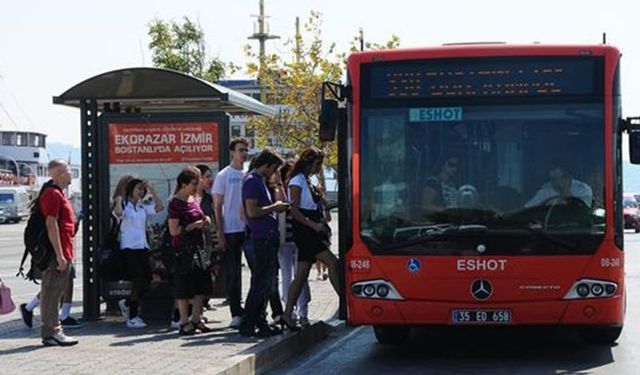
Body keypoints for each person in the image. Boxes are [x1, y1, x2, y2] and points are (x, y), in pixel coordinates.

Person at [282, 147, 339, 330]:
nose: (319, 167)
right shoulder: (297, 181)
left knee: (301, 275)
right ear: (308, 162)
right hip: (306, 231)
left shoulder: (307, 181)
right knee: (333, 263)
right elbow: (295, 210)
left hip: (312, 228)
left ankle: (287, 313)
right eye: (317, 163)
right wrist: (313, 225)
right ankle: (345, 302)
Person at [239, 148, 289, 337]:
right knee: (261, 282)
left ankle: (259, 321)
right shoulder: (252, 181)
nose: (274, 173)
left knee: (266, 282)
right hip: (262, 237)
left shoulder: (261, 181)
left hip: (268, 235)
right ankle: (249, 323)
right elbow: (252, 211)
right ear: (266, 165)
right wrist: (274, 208)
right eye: (274, 168)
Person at [113, 178, 164, 328]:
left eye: (142, 190)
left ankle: (128, 303)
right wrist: (118, 200)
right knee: (137, 280)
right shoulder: (124, 206)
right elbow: (117, 214)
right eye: (138, 189)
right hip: (129, 248)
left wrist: (152, 189)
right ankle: (132, 316)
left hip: (142, 247)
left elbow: (159, 207)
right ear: (130, 190)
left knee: (148, 280)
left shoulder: (142, 207)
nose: (140, 192)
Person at [168, 167, 213, 335]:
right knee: (184, 285)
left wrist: (205, 219)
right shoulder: (176, 203)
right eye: (193, 184)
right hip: (183, 249)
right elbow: (174, 230)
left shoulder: (193, 199)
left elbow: (200, 215)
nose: (196, 187)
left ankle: (196, 318)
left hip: (199, 246)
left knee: (202, 283)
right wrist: (193, 226)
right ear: (183, 184)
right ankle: (184, 321)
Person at [39, 159, 78, 346]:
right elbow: (51, 223)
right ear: (60, 173)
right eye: (69, 170)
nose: (71, 173)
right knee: (52, 292)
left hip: (64, 250)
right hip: (57, 253)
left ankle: (53, 330)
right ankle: (52, 332)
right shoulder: (52, 194)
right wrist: (60, 255)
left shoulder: (59, 194)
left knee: (56, 292)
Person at [213, 137, 249, 328]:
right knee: (233, 272)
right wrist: (220, 232)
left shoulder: (248, 173)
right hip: (231, 229)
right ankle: (236, 312)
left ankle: (253, 309)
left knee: (256, 269)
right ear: (232, 152)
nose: (243, 154)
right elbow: (217, 205)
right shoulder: (223, 175)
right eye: (240, 150)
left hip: (248, 229)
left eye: (246, 150)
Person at [277, 161, 311, 326]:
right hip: (286, 241)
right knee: (288, 276)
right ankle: (291, 311)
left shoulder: (298, 191)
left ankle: (302, 312)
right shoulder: (282, 192)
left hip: (298, 240)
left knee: (300, 277)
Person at [525, 162, 593, 208]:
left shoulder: (583, 190)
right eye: (553, 179)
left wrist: (565, 192)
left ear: (568, 177)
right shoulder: (545, 189)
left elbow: (584, 213)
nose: (556, 182)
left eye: (559, 178)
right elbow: (528, 208)